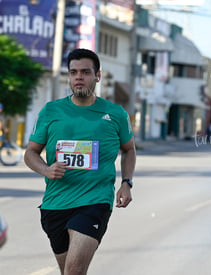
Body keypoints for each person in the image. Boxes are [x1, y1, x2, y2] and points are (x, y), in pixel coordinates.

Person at [24, 49, 136, 275]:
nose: (78, 77)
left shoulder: (115, 114)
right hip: (55, 204)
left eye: (85, 72)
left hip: (95, 201)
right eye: (73, 72)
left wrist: (126, 182)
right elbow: (30, 153)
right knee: (70, 272)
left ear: (98, 76)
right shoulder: (51, 111)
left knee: (73, 271)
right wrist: (46, 170)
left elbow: (129, 149)